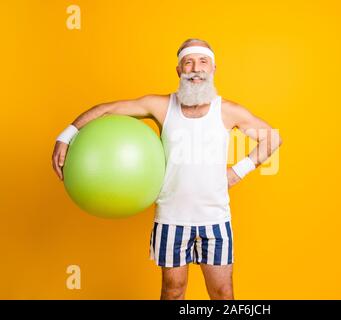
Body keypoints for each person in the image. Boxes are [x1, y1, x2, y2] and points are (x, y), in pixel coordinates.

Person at [52, 38, 283, 300]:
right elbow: (107, 110)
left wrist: (237, 172)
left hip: (215, 219)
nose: (196, 68)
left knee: (222, 293)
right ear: (179, 70)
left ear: (213, 69)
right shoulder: (161, 106)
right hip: (172, 218)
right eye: (189, 62)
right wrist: (67, 134)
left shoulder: (227, 111)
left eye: (203, 62)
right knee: (172, 292)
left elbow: (272, 138)